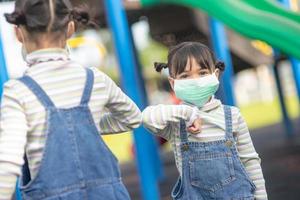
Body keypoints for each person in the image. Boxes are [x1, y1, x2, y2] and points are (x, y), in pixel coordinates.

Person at [0, 0, 141, 199]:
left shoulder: (17, 91)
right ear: (71, 28)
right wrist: (92, 125)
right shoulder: (96, 79)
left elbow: (7, 164)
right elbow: (133, 118)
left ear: (18, 33)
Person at [142, 42, 267, 199]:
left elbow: (250, 161)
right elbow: (146, 117)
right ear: (173, 83)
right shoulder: (176, 123)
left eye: (202, 73)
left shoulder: (233, 116)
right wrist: (188, 114)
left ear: (215, 75)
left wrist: (262, 197)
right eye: (185, 76)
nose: (195, 80)